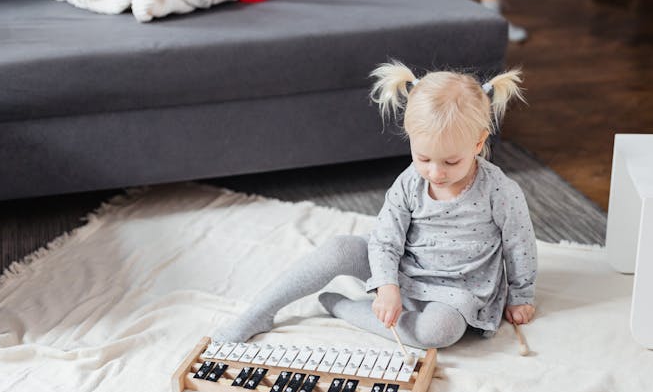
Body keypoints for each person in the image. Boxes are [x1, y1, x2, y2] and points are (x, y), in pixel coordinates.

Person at [213, 60, 537, 349]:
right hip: (403, 269)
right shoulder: (410, 181)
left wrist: (521, 296)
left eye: (451, 162)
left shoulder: (500, 191)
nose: (435, 172)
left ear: (478, 143)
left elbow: (519, 245)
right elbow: (385, 238)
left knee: (439, 331)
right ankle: (260, 313)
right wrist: (387, 284)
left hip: (457, 290)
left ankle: (342, 308)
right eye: (424, 158)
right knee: (338, 249)